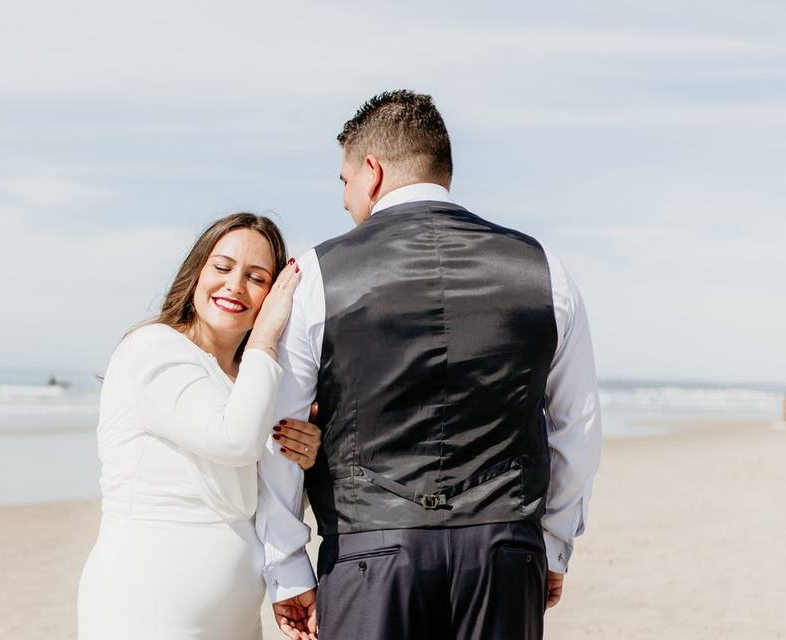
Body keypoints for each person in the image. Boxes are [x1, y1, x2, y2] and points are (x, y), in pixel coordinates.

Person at [258, 91, 603, 640]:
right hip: (503, 554)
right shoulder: (546, 271)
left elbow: (278, 433)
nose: (346, 199)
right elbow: (577, 431)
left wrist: (287, 567)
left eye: (344, 181)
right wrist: (554, 543)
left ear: (371, 172)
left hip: (368, 554)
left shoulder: (319, 275)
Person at [77, 213, 323, 640]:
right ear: (196, 273)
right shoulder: (152, 348)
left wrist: (303, 450)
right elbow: (234, 441)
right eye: (223, 268)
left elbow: (264, 495)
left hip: (236, 621)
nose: (235, 286)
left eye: (256, 277)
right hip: (145, 611)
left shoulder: (252, 382)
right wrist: (266, 337)